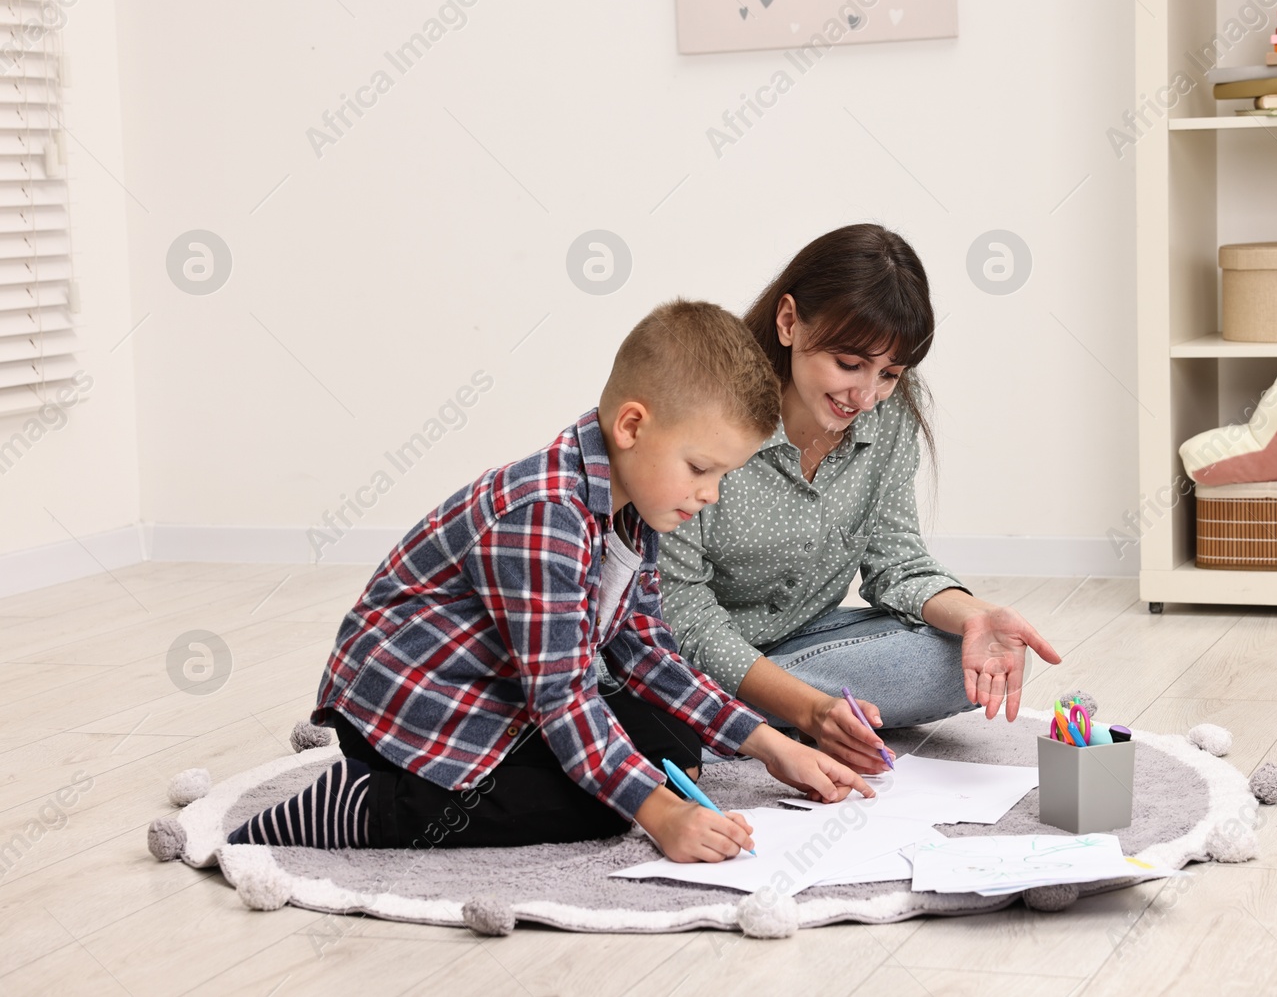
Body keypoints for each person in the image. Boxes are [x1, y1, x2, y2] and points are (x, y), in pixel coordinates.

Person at [227, 299, 871, 862]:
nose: (709, 494)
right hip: (414, 708)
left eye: (723, 476)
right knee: (609, 805)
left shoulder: (636, 507)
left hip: (502, 689)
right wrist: (658, 816)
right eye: (702, 468)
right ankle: (372, 804)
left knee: (671, 752)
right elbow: (562, 699)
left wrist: (768, 746)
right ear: (632, 426)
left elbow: (647, 651)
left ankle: (615, 785)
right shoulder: (545, 514)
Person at [659, 224, 1062, 776]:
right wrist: (811, 704)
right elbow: (681, 614)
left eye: (890, 373)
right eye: (849, 364)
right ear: (788, 322)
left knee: (964, 660)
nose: (866, 395)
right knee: (669, 674)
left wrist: (976, 616)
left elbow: (896, 561)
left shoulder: (889, 415)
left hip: (797, 643)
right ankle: (757, 708)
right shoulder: (704, 416)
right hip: (681, 650)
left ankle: (730, 713)